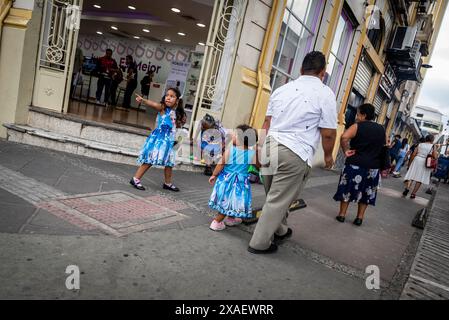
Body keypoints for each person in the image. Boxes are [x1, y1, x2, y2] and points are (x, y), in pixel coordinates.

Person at [248, 51, 337, 254]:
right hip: (295, 152)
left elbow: (267, 122)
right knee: (278, 199)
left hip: (271, 145)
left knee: (275, 195)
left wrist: (258, 148)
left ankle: (280, 229)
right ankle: (259, 243)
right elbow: (329, 133)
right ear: (323, 72)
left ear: (301, 69)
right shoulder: (325, 94)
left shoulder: (282, 89)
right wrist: (329, 155)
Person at [333, 104, 386, 226]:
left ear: (364, 115)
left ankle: (342, 215)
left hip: (355, 164)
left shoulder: (357, 126)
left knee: (348, 188)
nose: (357, 116)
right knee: (366, 192)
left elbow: (344, 137)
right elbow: (384, 146)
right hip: (373, 167)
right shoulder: (381, 129)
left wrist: (346, 150)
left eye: (358, 114)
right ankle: (359, 218)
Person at [130, 88, 183, 192]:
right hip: (159, 140)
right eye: (167, 95)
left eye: (172, 96)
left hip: (169, 141)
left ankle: (167, 183)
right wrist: (143, 100)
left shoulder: (175, 112)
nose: (168, 98)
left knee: (169, 162)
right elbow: (153, 104)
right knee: (150, 159)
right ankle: (135, 179)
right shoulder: (162, 108)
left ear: (177, 100)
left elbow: (175, 126)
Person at [208, 125, 259, 231]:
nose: (233, 137)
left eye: (235, 135)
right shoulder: (251, 154)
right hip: (239, 184)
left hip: (226, 180)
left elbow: (221, 164)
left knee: (226, 201)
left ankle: (225, 220)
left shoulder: (230, 150)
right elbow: (258, 166)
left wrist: (214, 174)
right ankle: (218, 221)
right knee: (232, 201)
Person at [402, 134, 439, 199]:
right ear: (432, 140)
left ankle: (407, 188)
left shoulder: (420, 144)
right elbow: (435, 156)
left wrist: (410, 163)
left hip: (417, 159)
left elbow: (414, 154)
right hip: (425, 162)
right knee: (420, 179)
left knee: (412, 175)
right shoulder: (433, 146)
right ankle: (413, 194)